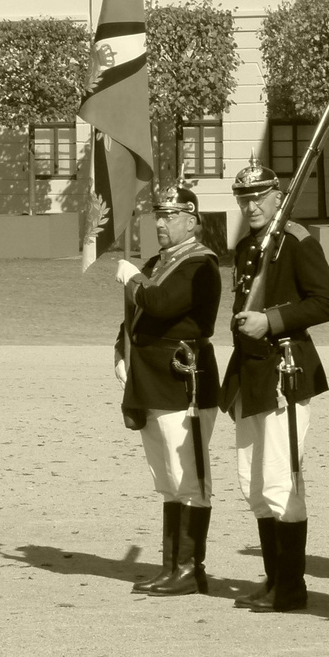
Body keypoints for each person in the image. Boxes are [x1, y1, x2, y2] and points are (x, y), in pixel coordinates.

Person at [220, 158, 329, 613]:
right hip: (250, 371)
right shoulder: (251, 244)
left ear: (278, 197)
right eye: (244, 199)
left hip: (284, 370)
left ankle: (291, 587)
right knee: (253, 482)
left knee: (280, 481)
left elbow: (328, 303)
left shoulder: (295, 240)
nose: (251, 206)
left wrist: (271, 320)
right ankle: (274, 579)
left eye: (258, 198)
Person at [114, 185, 221, 597]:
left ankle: (191, 569)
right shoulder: (161, 261)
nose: (160, 222)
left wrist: (134, 277)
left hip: (184, 382)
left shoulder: (200, 266)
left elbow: (159, 303)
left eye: (170, 215)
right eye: (158, 215)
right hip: (151, 381)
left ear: (192, 221)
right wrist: (121, 350)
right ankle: (172, 565)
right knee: (166, 480)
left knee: (188, 478)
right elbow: (138, 317)